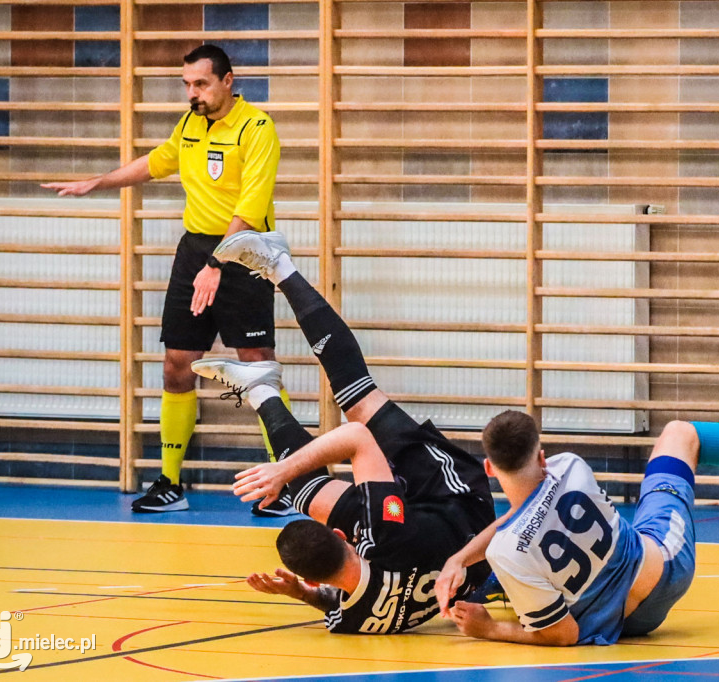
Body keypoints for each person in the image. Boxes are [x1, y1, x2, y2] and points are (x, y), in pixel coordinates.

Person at [189, 229, 497, 634]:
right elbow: (357, 439)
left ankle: (261, 387)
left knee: (305, 493)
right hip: (458, 505)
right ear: (343, 536)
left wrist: (301, 594)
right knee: (359, 404)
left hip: (413, 540)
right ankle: (280, 266)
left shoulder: (351, 619)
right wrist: (281, 473)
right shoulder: (360, 606)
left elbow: (341, 599)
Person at [42, 44, 291, 515]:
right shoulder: (189, 124)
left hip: (244, 249)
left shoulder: (258, 128)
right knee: (177, 364)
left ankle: (285, 480)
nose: (192, 93)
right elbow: (155, 163)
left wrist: (217, 265)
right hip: (195, 249)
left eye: (200, 84)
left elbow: (251, 206)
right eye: (186, 85)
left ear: (227, 81)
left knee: (257, 364)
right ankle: (170, 482)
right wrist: (97, 182)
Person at [434, 385, 719, 646]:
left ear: (489, 469)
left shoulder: (508, 551)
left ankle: (495, 589)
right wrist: (481, 614)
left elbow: (516, 528)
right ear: (541, 455)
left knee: (521, 569)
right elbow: (564, 636)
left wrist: (465, 578)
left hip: (626, 618)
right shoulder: (569, 466)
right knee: (681, 434)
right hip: (664, 565)